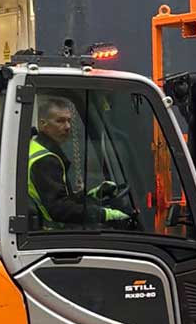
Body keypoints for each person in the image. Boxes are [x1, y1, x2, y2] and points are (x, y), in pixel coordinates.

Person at [28, 97, 130, 229]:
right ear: (43, 124)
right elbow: (59, 209)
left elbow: (59, 199)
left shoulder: (36, 147)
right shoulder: (45, 160)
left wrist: (93, 195)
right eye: (60, 121)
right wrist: (102, 214)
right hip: (50, 232)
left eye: (69, 121)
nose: (67, 127)